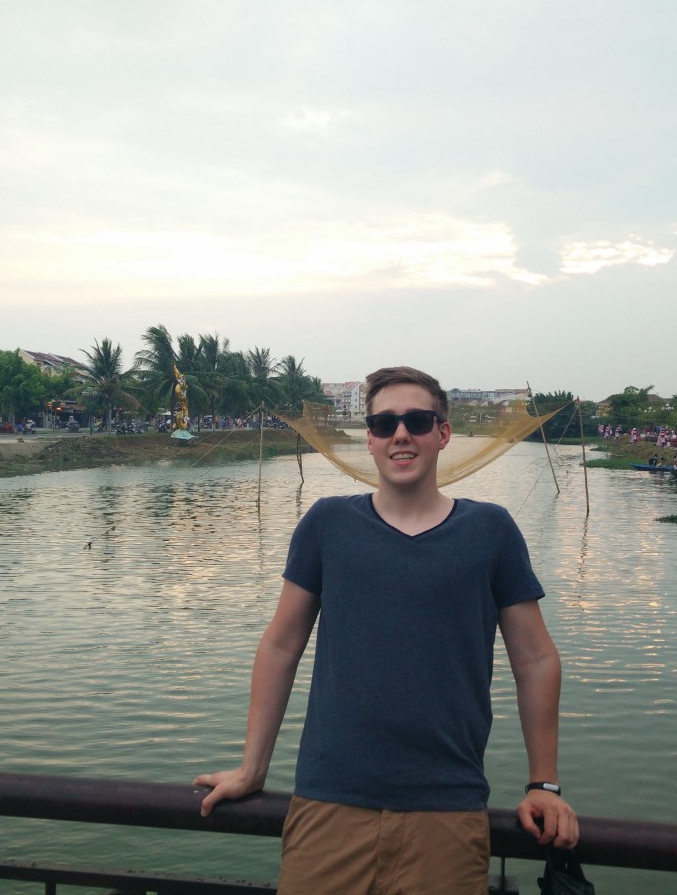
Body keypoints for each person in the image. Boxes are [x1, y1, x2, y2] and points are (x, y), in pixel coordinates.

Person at [193, 366, 577, 894]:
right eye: (384, 423)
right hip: (328, 803)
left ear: (442, 433)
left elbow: (535, 659)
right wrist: (252, 768)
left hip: (446, 808)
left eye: (417, 421)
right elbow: (281, 645)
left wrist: (544, 785)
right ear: (369, 438)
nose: (401, 434)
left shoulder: (491, 531)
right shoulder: (327, 524)